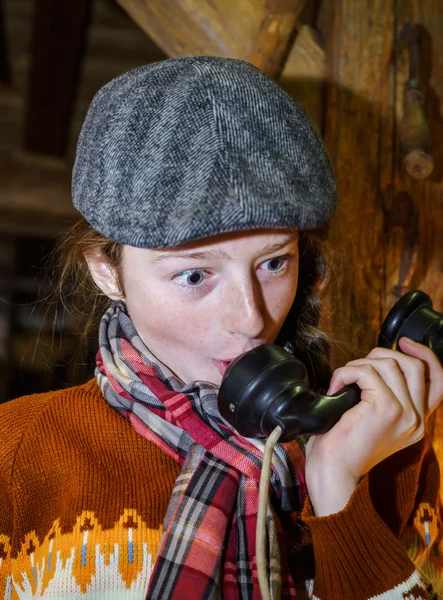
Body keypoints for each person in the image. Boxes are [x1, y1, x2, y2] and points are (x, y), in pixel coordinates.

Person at [0, 56, 442, 600]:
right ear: (105, 270)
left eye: (275, 262)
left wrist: (339, 495)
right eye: (193, 274)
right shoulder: (16, 451)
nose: (251, 318)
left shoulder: (393, 458)